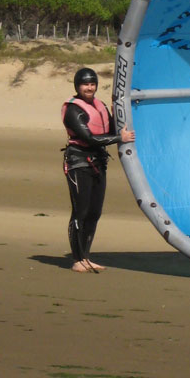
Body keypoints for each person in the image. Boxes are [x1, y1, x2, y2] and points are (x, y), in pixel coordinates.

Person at [62, 67, 135, 273]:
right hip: (78, 163)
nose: (90, 87)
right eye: (85, 84)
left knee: (94, 213)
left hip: (98, 162)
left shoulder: (100, 105)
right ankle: (77, 259)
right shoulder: (72, 110)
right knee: (81, 211)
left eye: (92, 84)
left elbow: (110, 131)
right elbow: (90, 138)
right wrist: (121, 138)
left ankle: (86, 256)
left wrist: (118, 115)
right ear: (78, 86)